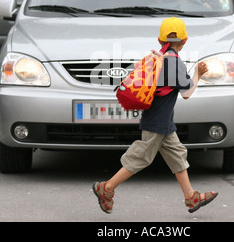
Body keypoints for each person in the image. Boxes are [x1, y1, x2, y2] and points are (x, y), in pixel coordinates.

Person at [92, 17, 218, 214]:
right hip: (157, 122)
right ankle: (106, 188)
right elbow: (186, 93)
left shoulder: (156, 59)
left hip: (162, 120)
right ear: (185, 41)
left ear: (160, 40)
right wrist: (198, 74)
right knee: (140, 158)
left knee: (177, 156)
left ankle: (190, 197)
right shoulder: (174, 64)